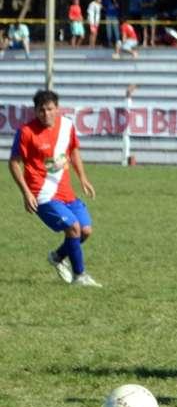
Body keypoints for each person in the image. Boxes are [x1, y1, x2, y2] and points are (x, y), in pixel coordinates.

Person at [7, 89, 101, 287]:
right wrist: (26, 193)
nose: (46, 114)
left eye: (50, 109)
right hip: (42, 195)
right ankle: (79, 276)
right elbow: (14, 163)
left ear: (57, 109)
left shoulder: (67, 126)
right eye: (41, 110)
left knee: (85, 230)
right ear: (35, 111)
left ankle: (57, 257)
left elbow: (73, 151)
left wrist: (83, 178)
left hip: (66, 192)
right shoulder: (26, 132)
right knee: (73, 228)